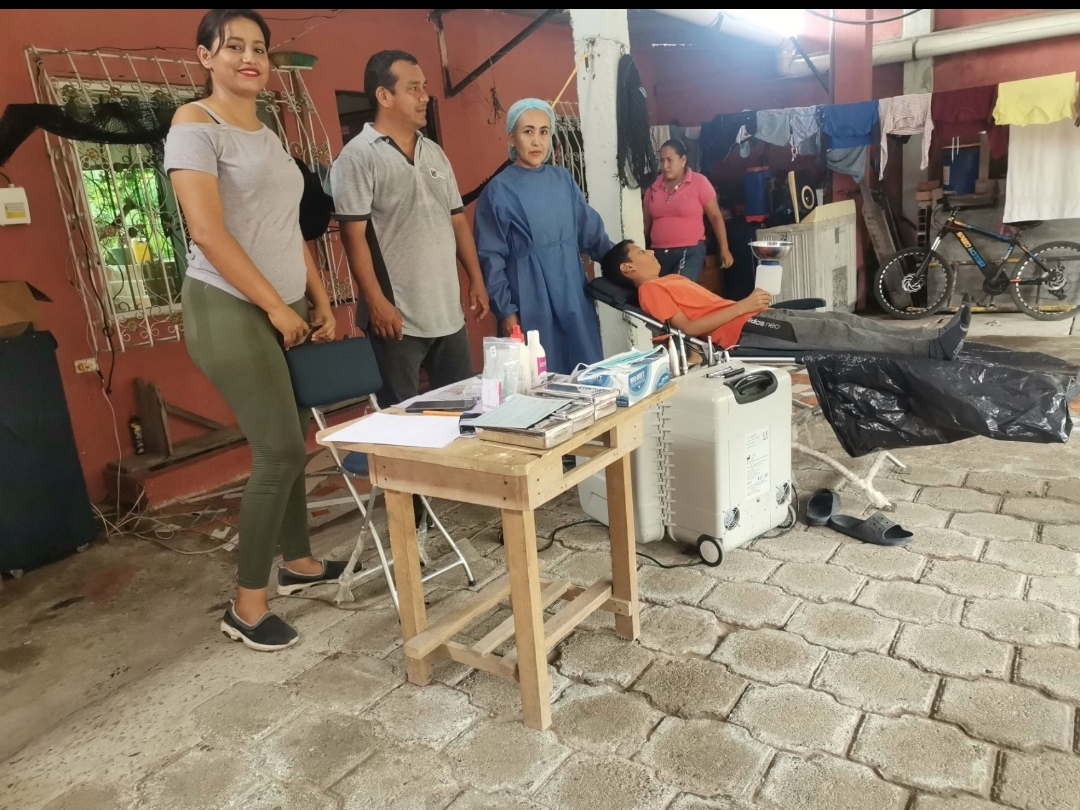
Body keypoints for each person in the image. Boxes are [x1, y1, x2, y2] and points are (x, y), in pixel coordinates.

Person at [166, 9, 345, 652]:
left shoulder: (265, 133)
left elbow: (285, 230)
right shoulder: (194, 125)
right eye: (233, 46)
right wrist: (275, 307)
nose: (249, 58)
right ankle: (246, 606)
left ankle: (298, 563)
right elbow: (208, 232)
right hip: (228, 308)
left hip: (283, 304)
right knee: (279, 451)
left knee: (293, 438)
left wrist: (318, 299)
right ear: (205, 56)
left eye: (259, 48)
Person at [331, 50, 489, 407]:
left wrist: (476, 278)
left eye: (425, 87)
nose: (425, 97)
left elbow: (457, 220)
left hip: (448, 314)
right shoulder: (358, 157)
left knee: (462, 413)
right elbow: (353, 238)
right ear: (384, 96)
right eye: (413, 88)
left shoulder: (434, 152)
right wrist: (376, 302)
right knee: (401, 419)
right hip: (396, 319)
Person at [601, 240, 970, 359]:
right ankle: (929, 348)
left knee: (843, 320)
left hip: (752, 318)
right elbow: (689, 329)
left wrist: (751, 306)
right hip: (743, 332)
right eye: (640, 252)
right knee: (836, 332)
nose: (651, 251)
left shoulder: (671, 279)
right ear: (628, 268)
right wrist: (744, 306)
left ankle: (929, 338)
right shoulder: (650, 290)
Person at [473, 98, 611, 375]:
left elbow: (591, 232)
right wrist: (506, 311)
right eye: (528, 132)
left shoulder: (563, 179)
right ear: (511, 137)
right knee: (540, 376)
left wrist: (623, 262)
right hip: (529, 296)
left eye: (544, 132)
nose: (537, 141)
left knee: (586, 371)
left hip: (572, 291)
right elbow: (490, 256)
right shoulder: (498, 190)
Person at [643, 139, 735, 283]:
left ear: (683, 160)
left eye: (669, 160)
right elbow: (645, 223)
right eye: (661, 160)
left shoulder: (699, 182)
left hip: (690, 251)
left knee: (679, 289)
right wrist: (640, 252)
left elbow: (715, 216)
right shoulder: (653, 187)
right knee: (661, 292)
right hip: (658, 253)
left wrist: (724, 248)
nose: (665, 166)